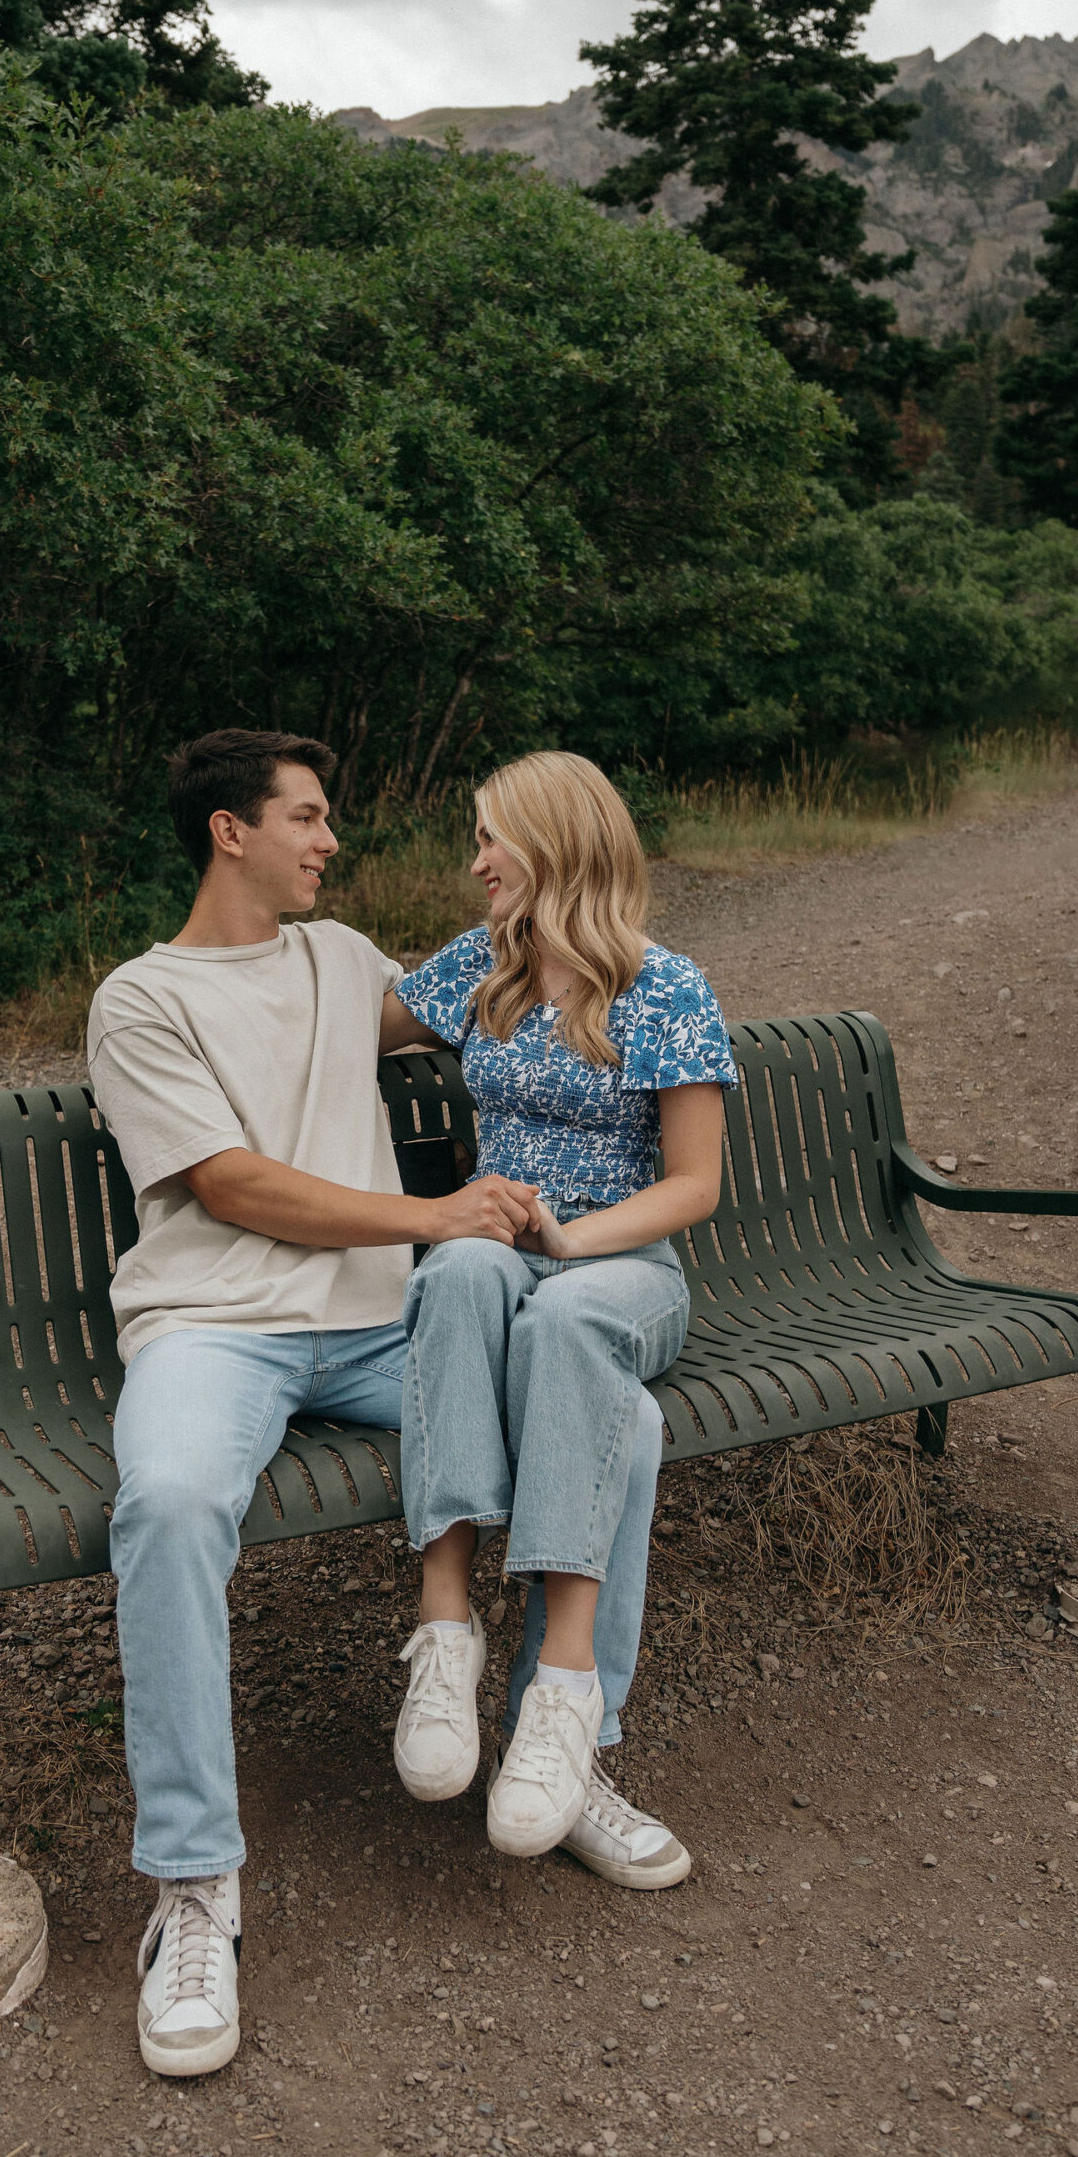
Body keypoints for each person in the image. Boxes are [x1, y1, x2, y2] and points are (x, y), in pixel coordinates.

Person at [86, 728, 539, 2079]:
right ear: (230, 830)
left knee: (595, 1415)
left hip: (372, 1330)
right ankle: (189, 1889)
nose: (327, 840)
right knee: (166, 1503)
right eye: (305, 817)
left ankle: (546, 1734)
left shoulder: (342, 962)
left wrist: (524, 890)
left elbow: (475, 991)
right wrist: (429, 1211)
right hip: (218, 1335)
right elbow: (232, 1186)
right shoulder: (141, 999)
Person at [385, 750, 733, 1888]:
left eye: (492, 837)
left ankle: (562, 1695)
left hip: (620, 1264)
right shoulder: (480, 972)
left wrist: (574, 1241)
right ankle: (446, 1636)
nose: (475, 860)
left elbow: (693, 1185)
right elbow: (335, 1015)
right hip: (500, 1251)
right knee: (457, 1275)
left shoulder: (665, 987)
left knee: (567, 1327)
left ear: (557, 842)